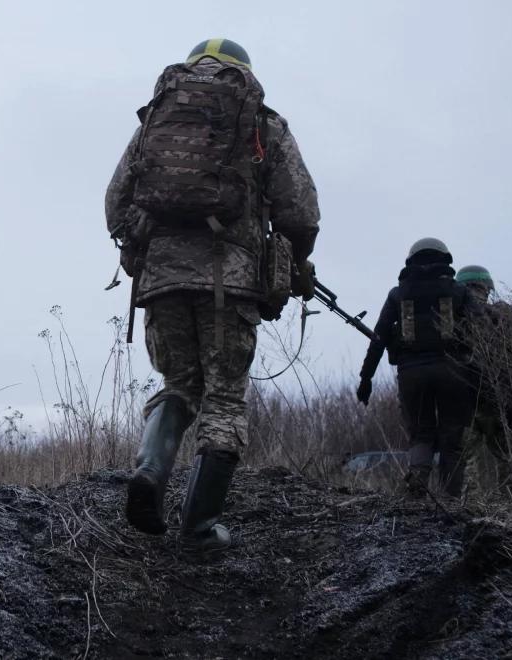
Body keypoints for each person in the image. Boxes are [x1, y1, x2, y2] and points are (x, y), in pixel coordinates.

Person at [107, 38, 320, 550]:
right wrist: (292, 258)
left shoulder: (154, 120)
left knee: (179, 383)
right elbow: (300, 212)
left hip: (161, 278)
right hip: (230, 278)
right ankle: (199, 528)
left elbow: (116, 203)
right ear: (242, 72)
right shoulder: (262, 124)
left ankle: (150, 474)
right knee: (223, 399)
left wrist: (145, 244)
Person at [356, 239, 479, 498]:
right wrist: (480, 378)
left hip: (411, 375)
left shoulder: (397, 295)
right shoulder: (460, 292)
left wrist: (366, 379)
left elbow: (378, 340)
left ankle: (415, 498)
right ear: (445, 260)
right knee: (452, 440)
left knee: (421, 435)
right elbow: (483, 336)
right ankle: (451, 502)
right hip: (454, 373)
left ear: (411, 261)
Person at [455, 265, 512, 491]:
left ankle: (470, 508)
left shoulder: (454, 319)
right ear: (487, 289)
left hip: (466, 399)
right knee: (507, 456)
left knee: (467, 458)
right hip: (500, 398)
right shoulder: (503, 317)